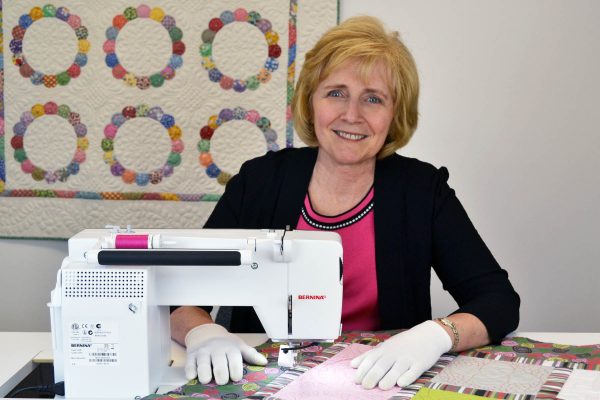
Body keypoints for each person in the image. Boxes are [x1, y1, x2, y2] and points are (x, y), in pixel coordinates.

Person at [171, 15, 520, 390]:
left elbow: (497, 301)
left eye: (373, 98)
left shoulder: (422, 190)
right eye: (336, 92)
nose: (352, 115)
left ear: (394, 113)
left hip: (380, 385)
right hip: (262, 379)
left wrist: (437, 334)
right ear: (311, 101)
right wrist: (203, 332)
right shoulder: (260, 182)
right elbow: (178, 298)